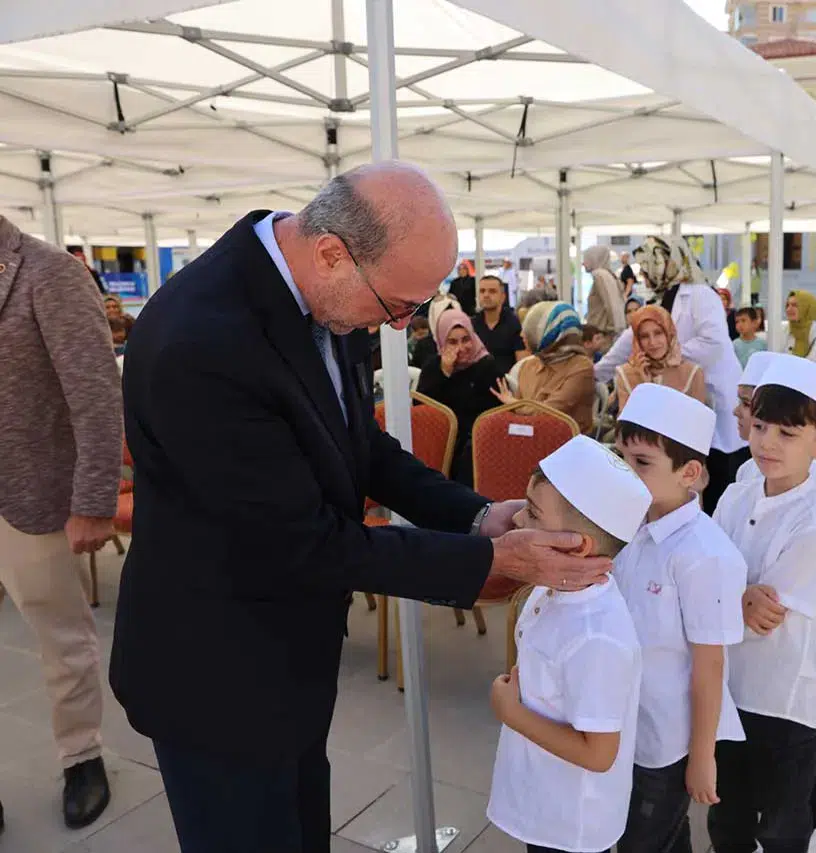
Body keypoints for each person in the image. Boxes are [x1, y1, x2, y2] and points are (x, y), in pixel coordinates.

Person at [111, 163, 613, 853]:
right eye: (398, 305)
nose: (402, 323)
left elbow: (361, 447)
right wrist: (487, 560)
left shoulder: (318, 291)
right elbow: (304, 543)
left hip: (286, 660)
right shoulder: (202, 341)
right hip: (216, 675)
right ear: (330, 253)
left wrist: (473, 514)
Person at [0, 215, 121, 832]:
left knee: (61, 639)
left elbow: (96, 395)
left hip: (31, 496)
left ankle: (82, 756)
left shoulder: (47, 273)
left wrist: (94, 499)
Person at [487, 435, 648, 853]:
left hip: (571, 819)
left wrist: (512, 712)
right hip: (544, 795)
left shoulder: (597, 636)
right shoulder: (550, 589)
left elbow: (598, 755)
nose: (518, 519)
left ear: (579, 547)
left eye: (534, 513)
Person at [710, 357, 816, 853]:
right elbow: (706, 582)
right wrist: (735, 595)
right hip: (727, 689)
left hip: (782, 699)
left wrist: (729, 595)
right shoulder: (735, 497)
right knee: (728, 815)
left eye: (787, 433)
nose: (767, 442)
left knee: (783, 824)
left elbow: (761, 620)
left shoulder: (815, 525)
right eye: (761, 425)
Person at [614, 384, 748, 853]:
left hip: (665, 741)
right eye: (622, 458)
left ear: (690, 472)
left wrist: (702, 757)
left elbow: (710, 667)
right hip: (621, 724)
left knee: (644, 840)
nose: (627, 473)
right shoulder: (628, 523)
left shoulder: (705, 555)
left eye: (642, 463)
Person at [595, 236, 746, 514]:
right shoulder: (661, 298)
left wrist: (672, 355)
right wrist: (597, 372)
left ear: (665, 263)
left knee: (717, 479)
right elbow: (631, 340)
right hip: (679, 394)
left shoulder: (700, 295)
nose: (643, 273)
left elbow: (714, 343)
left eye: (647, 266)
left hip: (711, 391)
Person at [415, 308, 502, 487]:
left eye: (466, 339)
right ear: (440, 342)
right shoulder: (434, 367)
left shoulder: (486, 366)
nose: (461, 348)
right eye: (452, 342)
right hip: (439, 440)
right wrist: (445, 373)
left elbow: (494, 412)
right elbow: (421, 408)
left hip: (476, 445)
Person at [495, 300, 596, 434]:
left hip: (569, 447)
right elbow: (520, 420)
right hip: (529, 442)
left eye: (530, 330)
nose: (522, 335)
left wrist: (514, 404)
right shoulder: (527, 366)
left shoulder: (582, 367)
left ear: (551, 333)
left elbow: (549, 413)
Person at [614, 305, 708, 412]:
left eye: (658, 333)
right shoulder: (626, 374)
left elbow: (698, 424)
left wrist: (652, 390)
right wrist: (645, 387)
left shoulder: (693, 374)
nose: (652, 342)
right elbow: (627, 426)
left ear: (669, 334)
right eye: (644, 336)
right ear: (637, 341)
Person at [473, 274, 526, 375]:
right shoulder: (472, 325)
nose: (486, 295)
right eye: (482, 291)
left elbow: (522, 364)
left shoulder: (514, 324)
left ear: (503, 297)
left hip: (507, 384)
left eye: (492, 291)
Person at [584, 245, 627, 347]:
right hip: (605, 334)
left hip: (602, 335)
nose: (583, 263)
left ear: (594, 258)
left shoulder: (600, 275)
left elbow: (611, 303)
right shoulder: (608, 275)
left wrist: (612, 328)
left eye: (586, 259)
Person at [786, 290, 816, 362]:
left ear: (806, 307)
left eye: (794, 305)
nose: (788, 309)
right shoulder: (784, 330)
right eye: (787, 305)